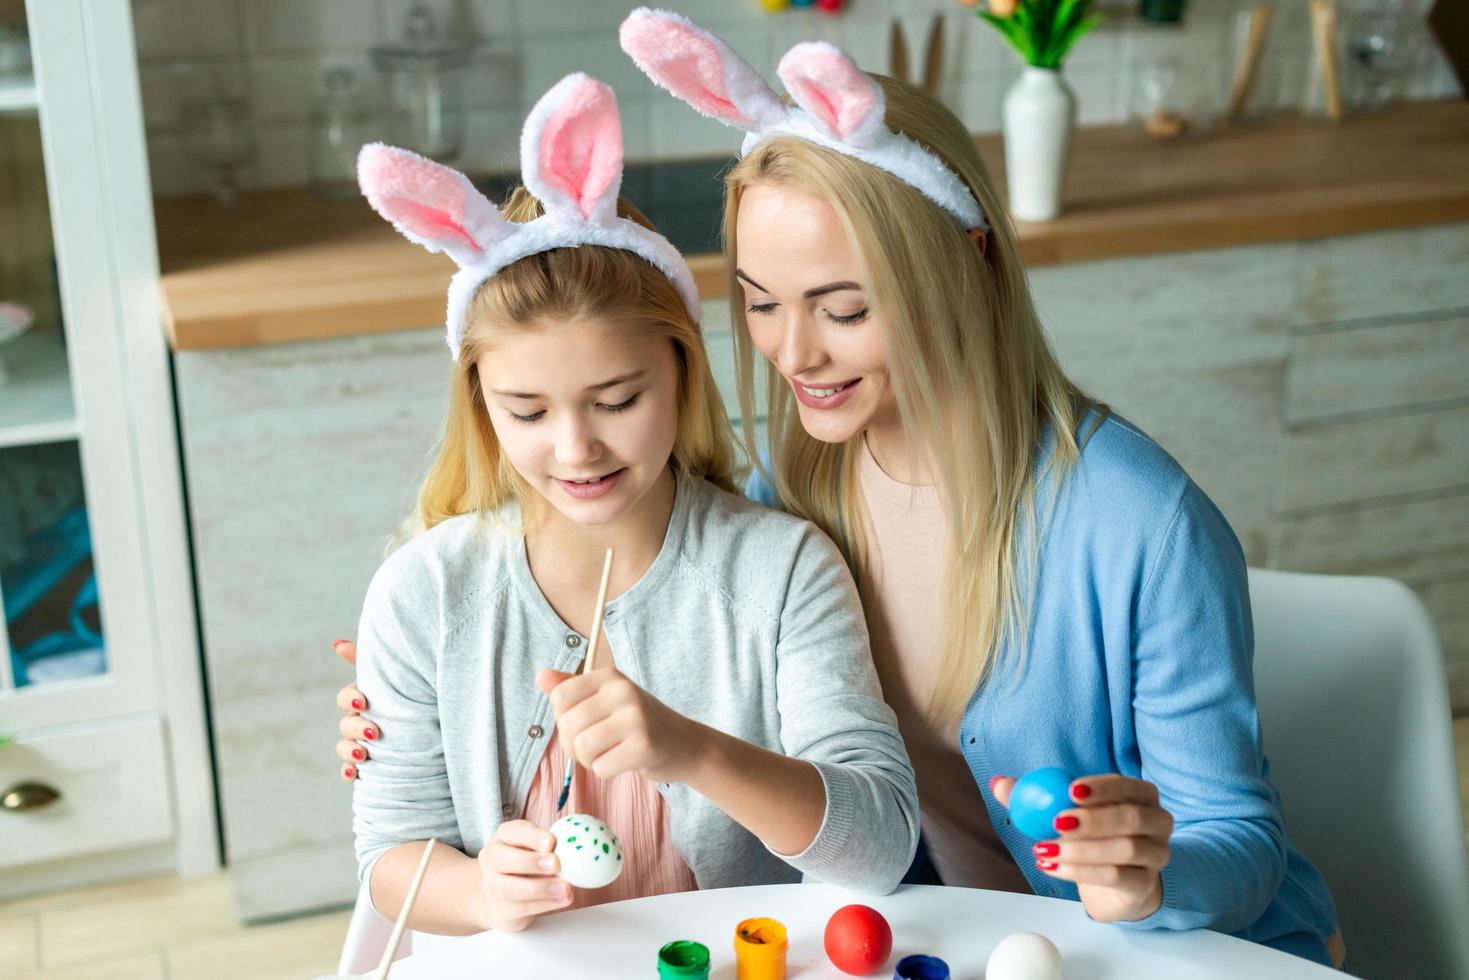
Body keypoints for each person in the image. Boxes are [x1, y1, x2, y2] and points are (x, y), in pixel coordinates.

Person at [338, 11, 1343, 967]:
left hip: (1155, 948)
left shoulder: (1139, 522)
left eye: (843, 306)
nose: (792, 350)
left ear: (965, 262)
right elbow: (647, 573)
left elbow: (1238, 839)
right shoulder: (799, 483)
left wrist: (1150, 873)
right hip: (940, 941)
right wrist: (414, 693)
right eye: (761, 302)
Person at [345, 72, 918, 937]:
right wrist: (480, 894)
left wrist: (693, 751)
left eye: (616, 401)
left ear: (682, 373)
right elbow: (392, 855)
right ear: (480, 406)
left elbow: (880, 846)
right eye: (527, 412)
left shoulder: (782, 570)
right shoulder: (423, 591)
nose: (576, 450)